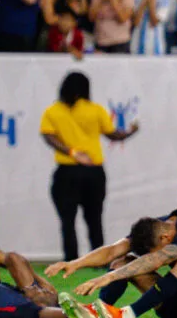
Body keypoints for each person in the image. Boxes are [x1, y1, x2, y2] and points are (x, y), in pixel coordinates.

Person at [40, 72, 139, 261]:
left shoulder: (53, 111)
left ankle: (70, 260)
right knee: (94, 219)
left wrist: (71, 152)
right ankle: (99, 260)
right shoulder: (95, 110)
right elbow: (113, 135)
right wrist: (130, 132)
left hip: (67, 170)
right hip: (93, 171)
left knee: (67, 221)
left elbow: (48, 136)